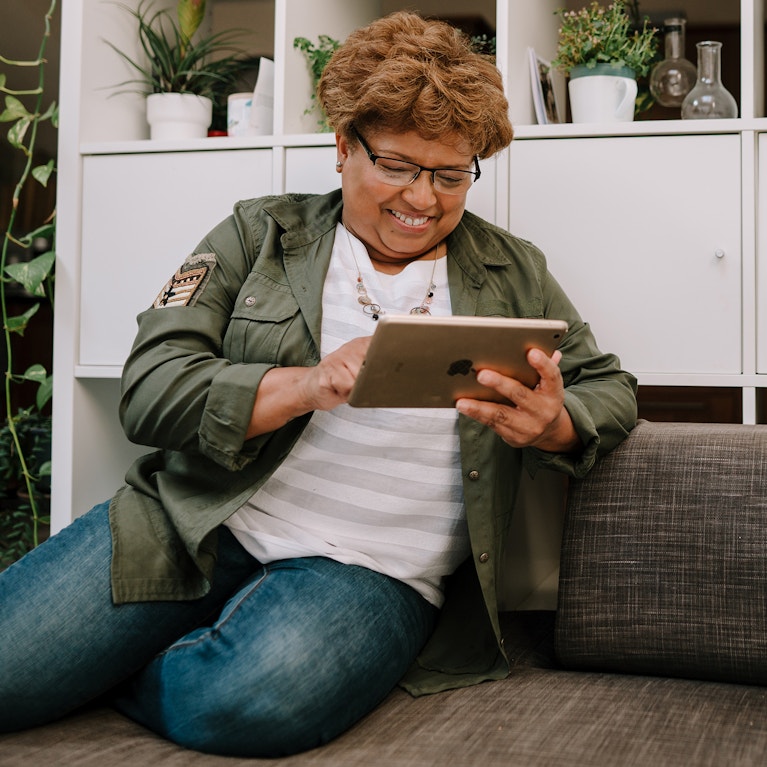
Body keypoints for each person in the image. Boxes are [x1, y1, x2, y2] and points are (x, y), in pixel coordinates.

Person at [0, 11, 637, 759]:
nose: (422, 199)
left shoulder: (511, 269)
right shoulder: (255, 234)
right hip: (195, 525)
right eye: (397, 166)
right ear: (342, 148)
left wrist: (554, 424)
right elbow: (151, 386)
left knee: (240, 704)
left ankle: (132, 669)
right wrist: (306, 383)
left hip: (372, 571)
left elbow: (609, 388)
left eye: (449, 173)